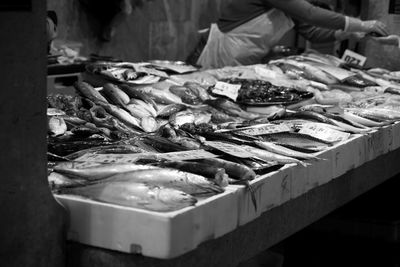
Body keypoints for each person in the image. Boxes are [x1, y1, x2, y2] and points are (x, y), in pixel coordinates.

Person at [188, 0, 389, 69]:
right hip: (217, 51)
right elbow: (310, 13)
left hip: (244, 59)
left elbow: (312, 33)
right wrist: (360, 24)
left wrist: (347, 35)